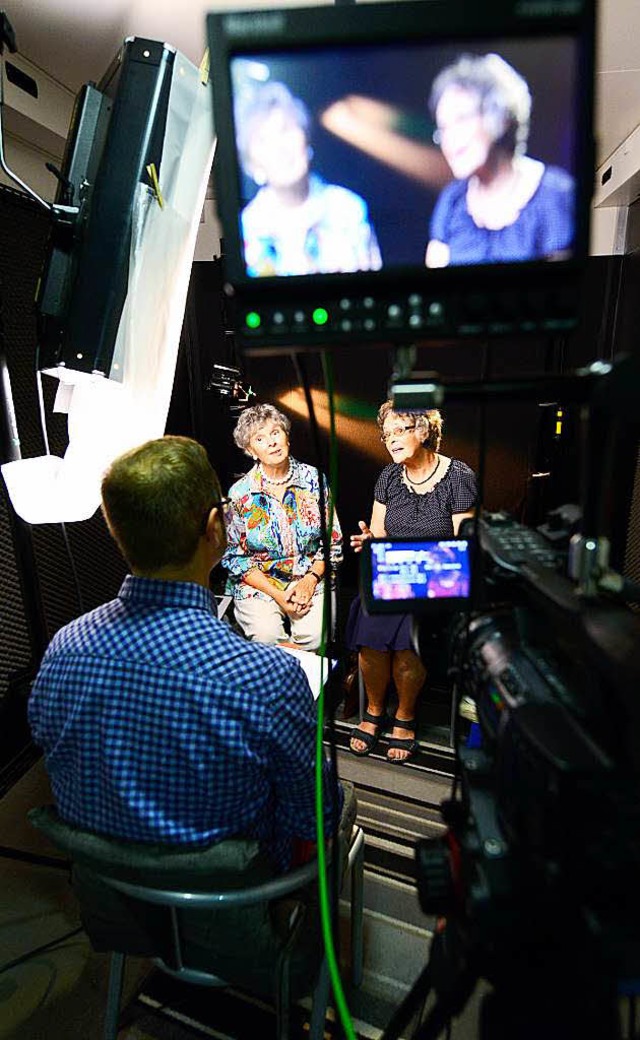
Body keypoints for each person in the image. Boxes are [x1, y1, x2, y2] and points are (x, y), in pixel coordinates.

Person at [28, 436, 344, 874]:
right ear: (216, 527)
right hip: (234, 902)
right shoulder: (269, 676)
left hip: (114, 893)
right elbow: (314, 814)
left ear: (116, 528)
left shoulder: (62, 648)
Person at [347, 404, 477, 764]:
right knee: (370, 612)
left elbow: (460, 547)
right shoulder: (388, 478)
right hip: (395, 575)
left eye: (400, 430)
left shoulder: (458, 476)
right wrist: (370, 542)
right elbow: (380, 535)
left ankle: (404, 715)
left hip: (438, 581)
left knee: (410, 629)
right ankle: (374, 710)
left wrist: (414, 562)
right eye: (386, 435)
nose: (391, 441)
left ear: (423, 430)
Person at [425, 53, 575, 268]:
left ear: (499, 116)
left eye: (460, 120)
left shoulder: (556, 194)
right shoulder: (452, 200)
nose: (449, 139)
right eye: (443, 128)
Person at [223, 404, 342, 652]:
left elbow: (333, 544)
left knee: (314, 638)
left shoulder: (314, 480)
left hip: (309, 575)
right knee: (266, 637)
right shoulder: (240, 493)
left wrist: (309, 581)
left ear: (286, 436)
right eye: (260, 438)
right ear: (250, 450)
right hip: (260, 583)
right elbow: (235, 557)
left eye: (275, 433)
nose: (272, 443)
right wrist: (278, 595)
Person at [235, 80, 382, 277]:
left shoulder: (349, 210)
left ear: (305, 137)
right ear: (252, 164)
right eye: (264, 140)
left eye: (286, 130)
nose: (280, 148)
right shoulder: (247, 230)